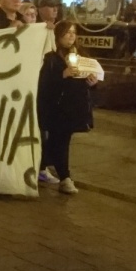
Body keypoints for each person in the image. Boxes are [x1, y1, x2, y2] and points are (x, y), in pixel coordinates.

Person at [37, 21, 99, 195]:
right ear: (58, 35)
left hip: (75, 107)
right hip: (57, 108)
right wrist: (62, 75)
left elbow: (87, 83)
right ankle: (65, 178)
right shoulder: (50, 57)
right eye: (67, 32)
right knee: (61, 142)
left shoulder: (81, 55)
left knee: (57, 142)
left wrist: (92, 83)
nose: (71, 36)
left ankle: (39, 165)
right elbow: (44, 85)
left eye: (74, 32)